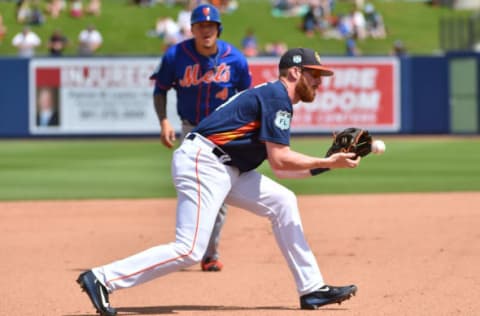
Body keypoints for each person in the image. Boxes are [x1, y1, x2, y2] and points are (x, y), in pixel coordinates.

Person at [76, 47, 360, 316]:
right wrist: (326, 161)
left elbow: (283, 170)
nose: (319, 82)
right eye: (314, 74)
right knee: (189, 250)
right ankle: (101, 278)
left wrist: (328, 166)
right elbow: (280, 160)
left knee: (283, 201)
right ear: (295, 73)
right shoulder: (277, 97)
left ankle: (312, 289)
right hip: (206, 162)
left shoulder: (274, 97)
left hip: (227, 168)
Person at [149, 3, 252, 272]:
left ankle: (210, 253)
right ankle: (186, 246)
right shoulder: (175, 56)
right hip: (191, 129)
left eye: (210, 26)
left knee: (218, 193)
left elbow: (247, 98)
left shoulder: (236, 59)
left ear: (218, 29)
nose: (205, 30)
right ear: (192, 29)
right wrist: (163, 121)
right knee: (193, 191)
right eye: (200, 26)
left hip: (224, 133)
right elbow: (160, 90)